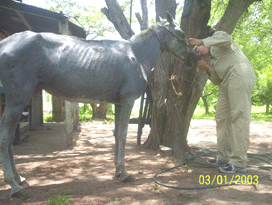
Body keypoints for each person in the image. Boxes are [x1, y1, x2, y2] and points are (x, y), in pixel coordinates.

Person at [189, 31, 256, 173]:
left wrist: (200, 41)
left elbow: (226, 38)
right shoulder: (213, 61)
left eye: (198, 51)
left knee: (239, 116)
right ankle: (223, 157)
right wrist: (207, 69)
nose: (199, 54)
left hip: (239, 73)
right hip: (226, 81)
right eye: (197, 55)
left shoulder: (218, 40)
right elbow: (217, 81)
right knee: (221, 117)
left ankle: (239, 162)